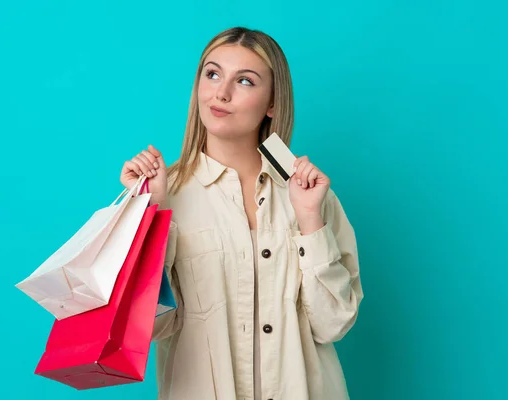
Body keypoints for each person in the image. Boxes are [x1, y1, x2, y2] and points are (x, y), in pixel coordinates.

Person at [119, 26, 363, 400]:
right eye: (212, 74)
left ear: (272, 104)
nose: (222, 92)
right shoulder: (163, 194)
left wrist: (310, 220)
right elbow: (148, 327)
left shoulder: (311, 195)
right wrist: (151, 213)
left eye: (245, 81)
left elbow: (333, 325)